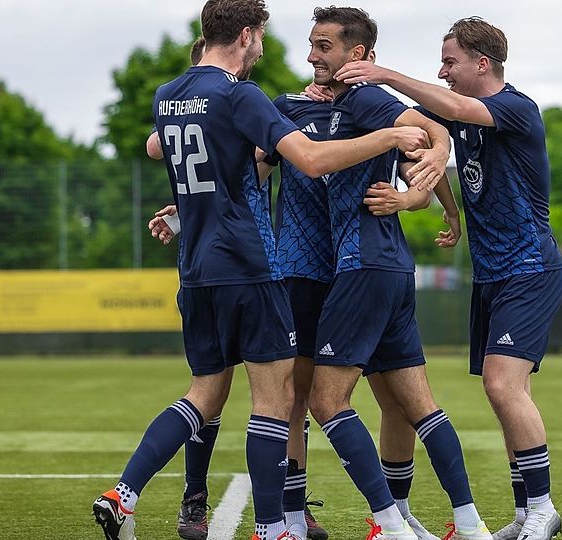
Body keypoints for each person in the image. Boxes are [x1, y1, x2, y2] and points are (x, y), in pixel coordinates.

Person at [91, 1, 436, 540]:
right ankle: (278, 525)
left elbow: (161, 147)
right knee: (277, 402)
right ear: (247, 35)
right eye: (262, 40)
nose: (266, 51)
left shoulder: (167, 95)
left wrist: (183, 210)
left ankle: (126, 494)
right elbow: (313, 161)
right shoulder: (239, 94)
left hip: (196, 268)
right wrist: (389, 138)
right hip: (251, 265)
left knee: (203, 394)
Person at [332, 16, 562, 540]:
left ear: (482, 63)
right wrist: (447, 206)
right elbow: (431, 136)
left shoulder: (515, 107)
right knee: (509, 393)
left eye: (450, 62)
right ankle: (527, 513)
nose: (442, 72)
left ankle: (544, 508)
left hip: (530, 269)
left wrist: (383, 73)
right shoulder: (464, 116)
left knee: (502, 384)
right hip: (493, 276)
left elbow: (456, 110)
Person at [302, 7, 491, 540]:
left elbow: (429, 130)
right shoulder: (344, 103)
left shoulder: (364, 97)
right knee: (413, 405)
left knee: (325, 401)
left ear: (356, 55)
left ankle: (388, 522)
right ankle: (469, 523)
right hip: (390, 269)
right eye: (312, 45)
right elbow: (419, 162)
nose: (313, 56)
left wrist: (432, 161)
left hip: (363, 266)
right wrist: (434, 204)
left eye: (323, 46)